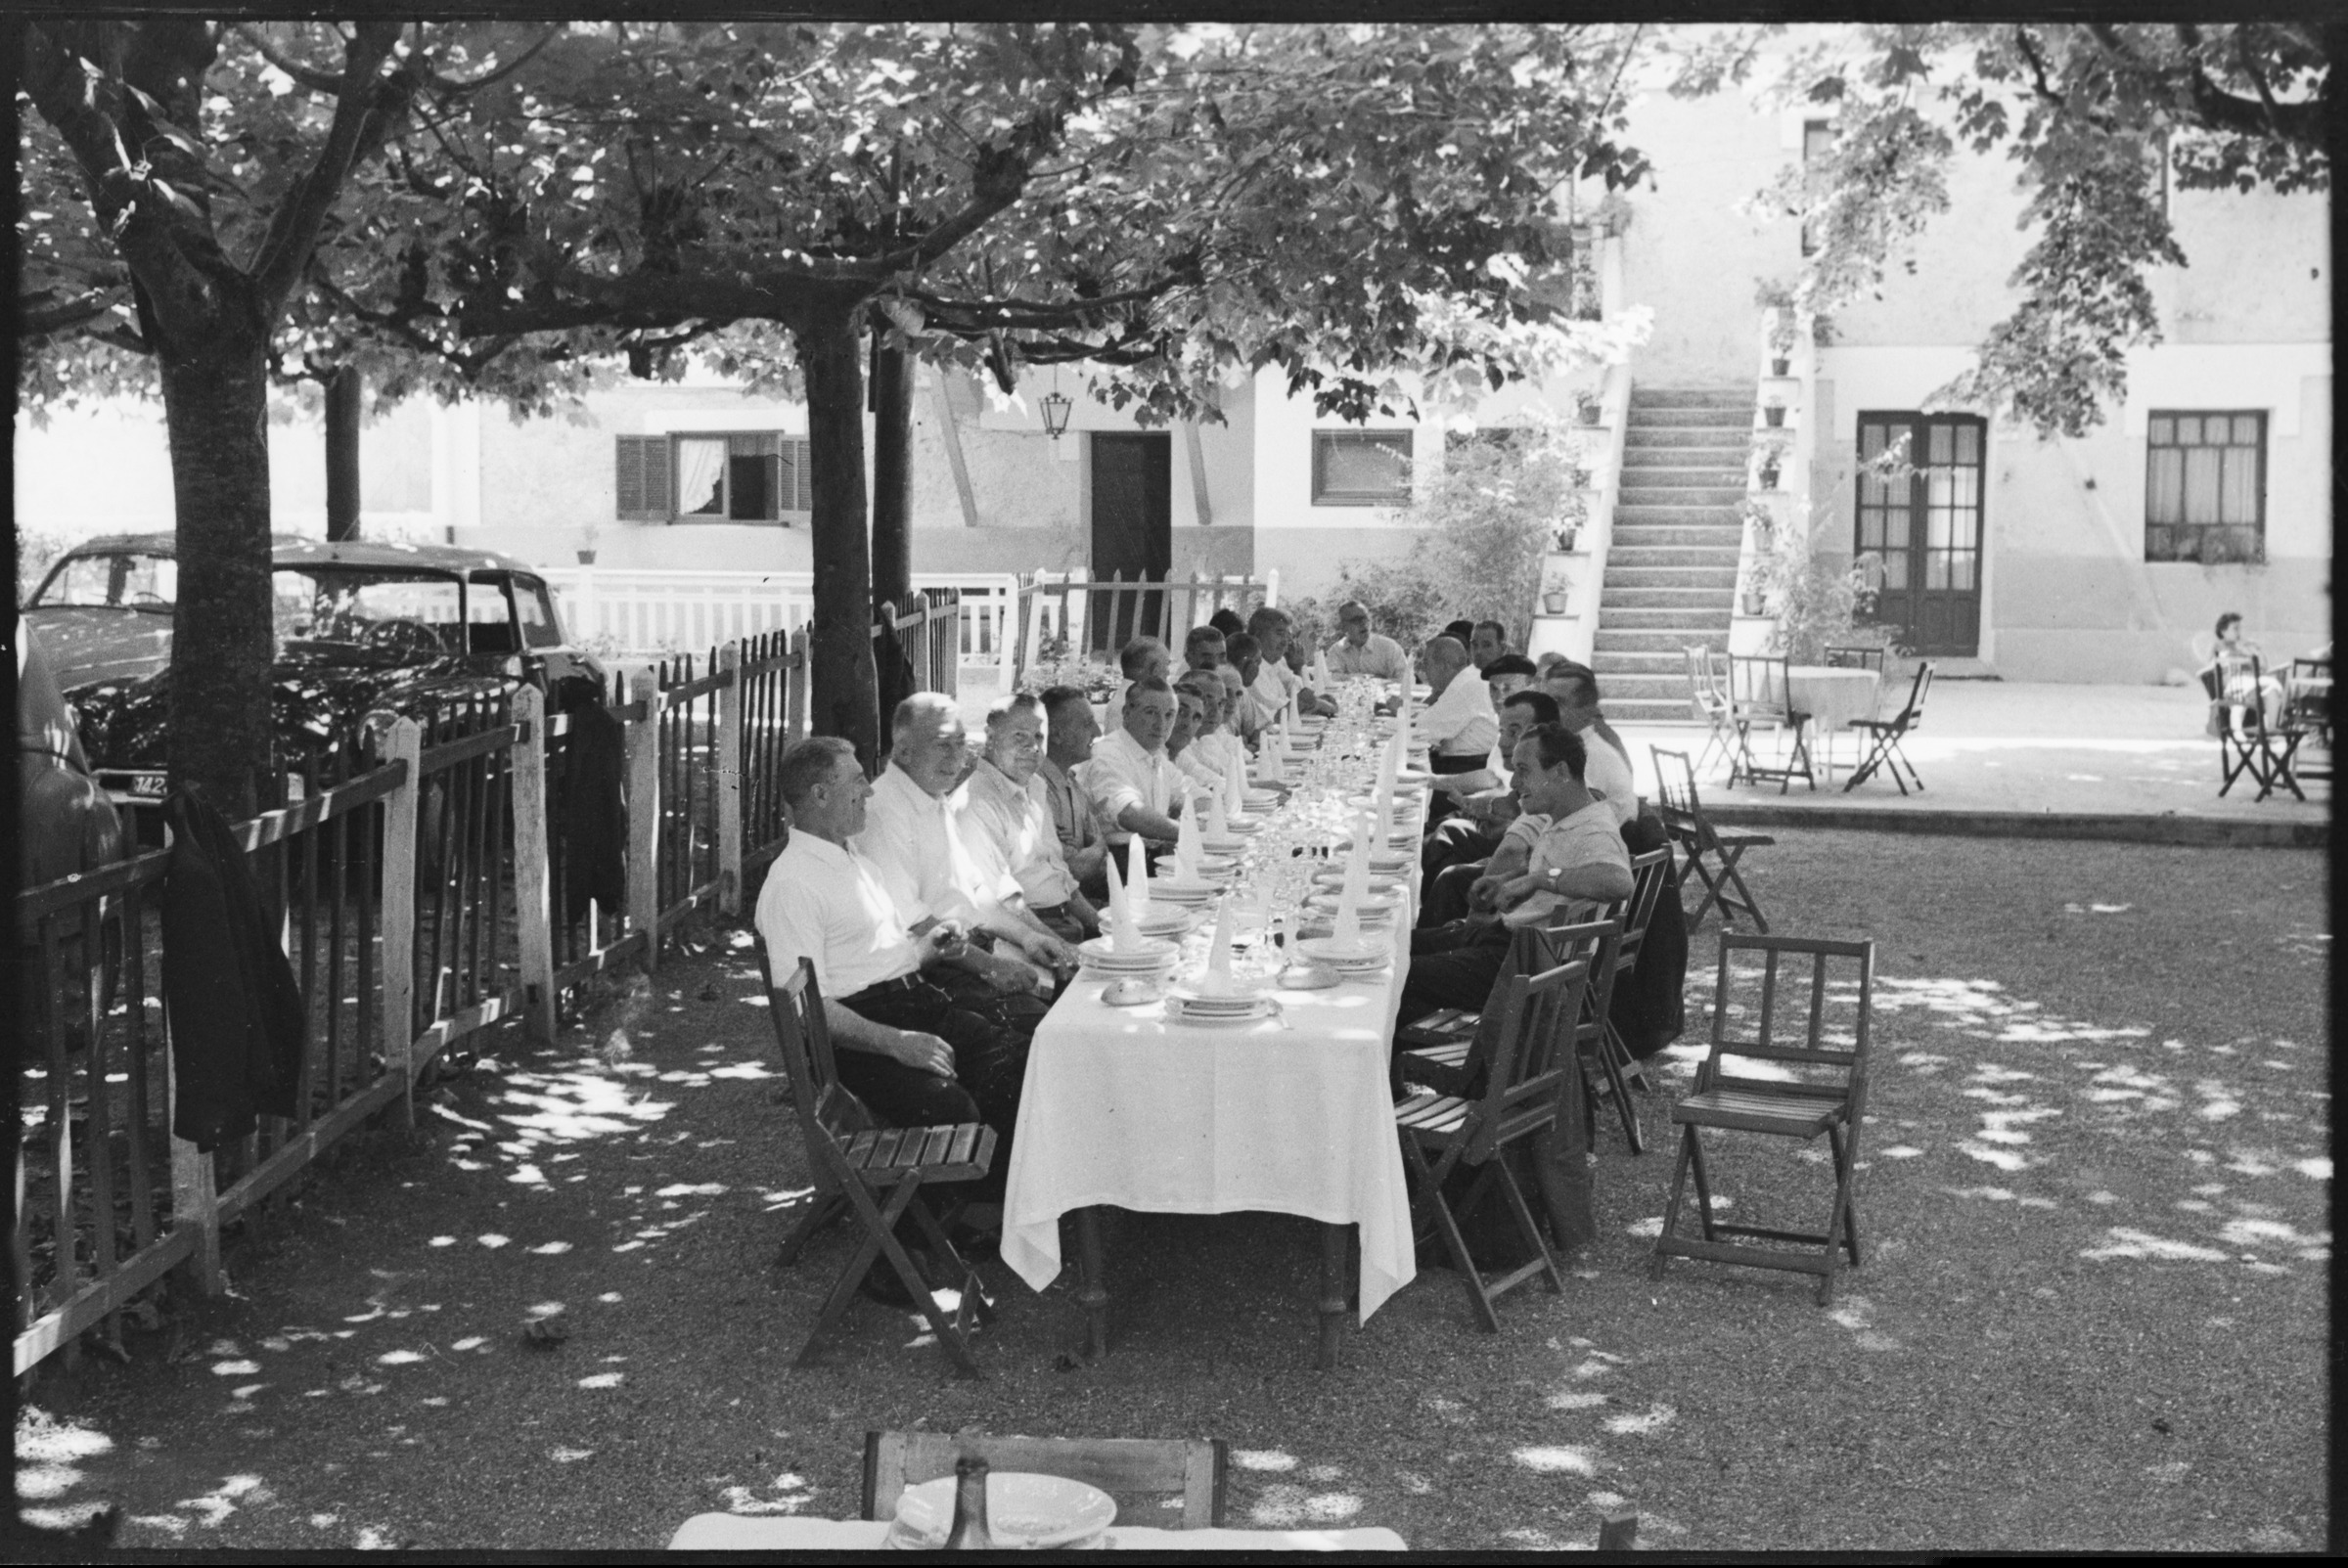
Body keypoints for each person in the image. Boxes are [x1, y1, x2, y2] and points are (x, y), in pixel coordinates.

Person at [754, 737, 1030, 1151]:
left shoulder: (854, 861)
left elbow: (876, 960)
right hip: (861, 1037)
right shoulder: (793, 883)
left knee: (1023, 1059)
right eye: (857, 781)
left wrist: (929, 947)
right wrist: (896, 1042)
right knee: (953, 1110)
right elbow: (806, 1009)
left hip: (913, 1005)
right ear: (821, 794)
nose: (869, 792)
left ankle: (1006, 1187)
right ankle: (971, 1191)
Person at [1397, 722, 1635, 1026]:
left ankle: (1447, 1052)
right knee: (1398, 946)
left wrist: (1538, 879)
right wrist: (1509, 878)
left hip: (1527, 968)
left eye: (1523, 770)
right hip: (1511, 946)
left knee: (1399, 974)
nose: (1513, 782)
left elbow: (1619, 882)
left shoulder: (1594, 830)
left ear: (1560, 772)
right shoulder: (1566, 816)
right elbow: (1563, 864)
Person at [854, 694, 1079, 985]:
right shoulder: (885, 810)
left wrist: (1029, 938)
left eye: (960, 742)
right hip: (921, 972)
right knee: (1053, 1000)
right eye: (942, 744)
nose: (956, 756)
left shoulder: (932, 797)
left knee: (1074, 979)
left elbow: (976, 891)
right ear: (905, 751)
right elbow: (918, 925)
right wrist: (992, 966)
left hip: (971, 946)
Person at [958, 692, 1103, 944]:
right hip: (1021, 937)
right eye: (1019, 736)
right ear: (990, 737)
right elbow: (1004, 903)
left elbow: (1061, 877)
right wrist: (1063, 949)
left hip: (1065, 922)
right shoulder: (976, 802)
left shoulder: (1034, 785)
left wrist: (1105, 926)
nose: (1033, 747)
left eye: (1038, 736)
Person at [1077, 677, 1187, 849]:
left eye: (1169, 715)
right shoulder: (1108, 754)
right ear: (1127, 713)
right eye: (1151, 712)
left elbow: (1190, 793)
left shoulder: (1156, 757)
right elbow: (1129, 814)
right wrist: (1189, 833)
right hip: (1114, 860)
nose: (1161, 724)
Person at [1035, 686, 1112, 902]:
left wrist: (1093, 848)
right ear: (1057, 734)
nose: (1097, 733)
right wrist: (1099, 844)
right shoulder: (1037, 790)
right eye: (1087, 724)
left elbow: (1098, 864)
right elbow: (1071, 871)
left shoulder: (1072, 783)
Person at [1541, 660, 1640, 827]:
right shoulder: (1568, 749)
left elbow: (1561, 823)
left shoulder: (1591, 757)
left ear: (1587, 710)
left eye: (1558, 703)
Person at [1416, 635, 1500, 777]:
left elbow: (1423, 730)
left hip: (1465, 769)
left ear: (1444, 666)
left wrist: (1400, 712)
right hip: (1470, 763)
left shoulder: (1464, 686)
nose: (1423, 669)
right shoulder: (1470, 676)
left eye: (1426, 663)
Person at [1246, 606, 1336, 721]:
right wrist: (1319, 704)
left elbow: (1300, 691)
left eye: (1287, 635)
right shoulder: (1253, 670)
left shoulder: (1273, 663)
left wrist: (1315, 700)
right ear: (1258, 636)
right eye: (1279, 634)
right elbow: (1278, 714)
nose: (1285, 641)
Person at [1326, 600, 1412, 683]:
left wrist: (1378, 682)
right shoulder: (1337, 650)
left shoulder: (1389, 647)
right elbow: (1330, 679)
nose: (1363, 623)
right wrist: (1365, 678)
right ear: (1344, 626)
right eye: (1356, 620)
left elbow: (1407, 680)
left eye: (1365, 618)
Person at [1104, 637, 1172, 737]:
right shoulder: (1140, 704)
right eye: (1167, 665)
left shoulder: (1121, 700)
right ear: (1155, 671)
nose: (1168, 672)